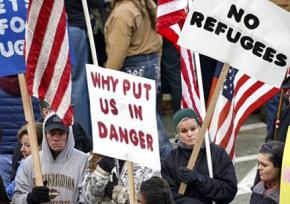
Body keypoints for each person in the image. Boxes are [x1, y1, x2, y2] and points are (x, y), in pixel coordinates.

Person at [104, 0, 172, 160]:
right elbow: (159, 38)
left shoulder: (123, 12)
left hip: (132, 67)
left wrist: (108, 79)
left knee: (144, 121)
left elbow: (117, 53)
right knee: (146, 117)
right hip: (150, 63)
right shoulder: (145, 4)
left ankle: (167, 158)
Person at [161, 108, 237, 204]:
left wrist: (198, 179)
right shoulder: (170, 161)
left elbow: (229, 191)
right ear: (177, 134)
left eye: (193, 129)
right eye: (184, 131)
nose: (189, 134)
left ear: (200, 128)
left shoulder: (217, 154)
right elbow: (169, 197)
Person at [13, 113, 88, 203]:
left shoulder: (83, 161)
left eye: (61, 133)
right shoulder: (30, 162)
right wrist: (30, 199)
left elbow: (88, 199)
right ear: (45, 135)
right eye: (52, 133)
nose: (56, 138)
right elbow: (16, 198)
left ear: (69, 135)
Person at [65, 0, 104, 139]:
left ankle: (65, 134)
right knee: (78, 85)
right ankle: (82, 136)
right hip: (74, 27)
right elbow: (97, 2)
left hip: (52, 31)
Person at [82, 155, 160, 203]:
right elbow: (90, 199)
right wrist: (102, 171)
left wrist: (116, 192)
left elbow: (148, 200)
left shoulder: (149, 163)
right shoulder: (95, 157)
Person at [6, 123, 43, 199]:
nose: (22, 149)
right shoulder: (24, 163)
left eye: (28, 145)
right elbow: (13, 187)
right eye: (22, 144)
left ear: (42, 146)